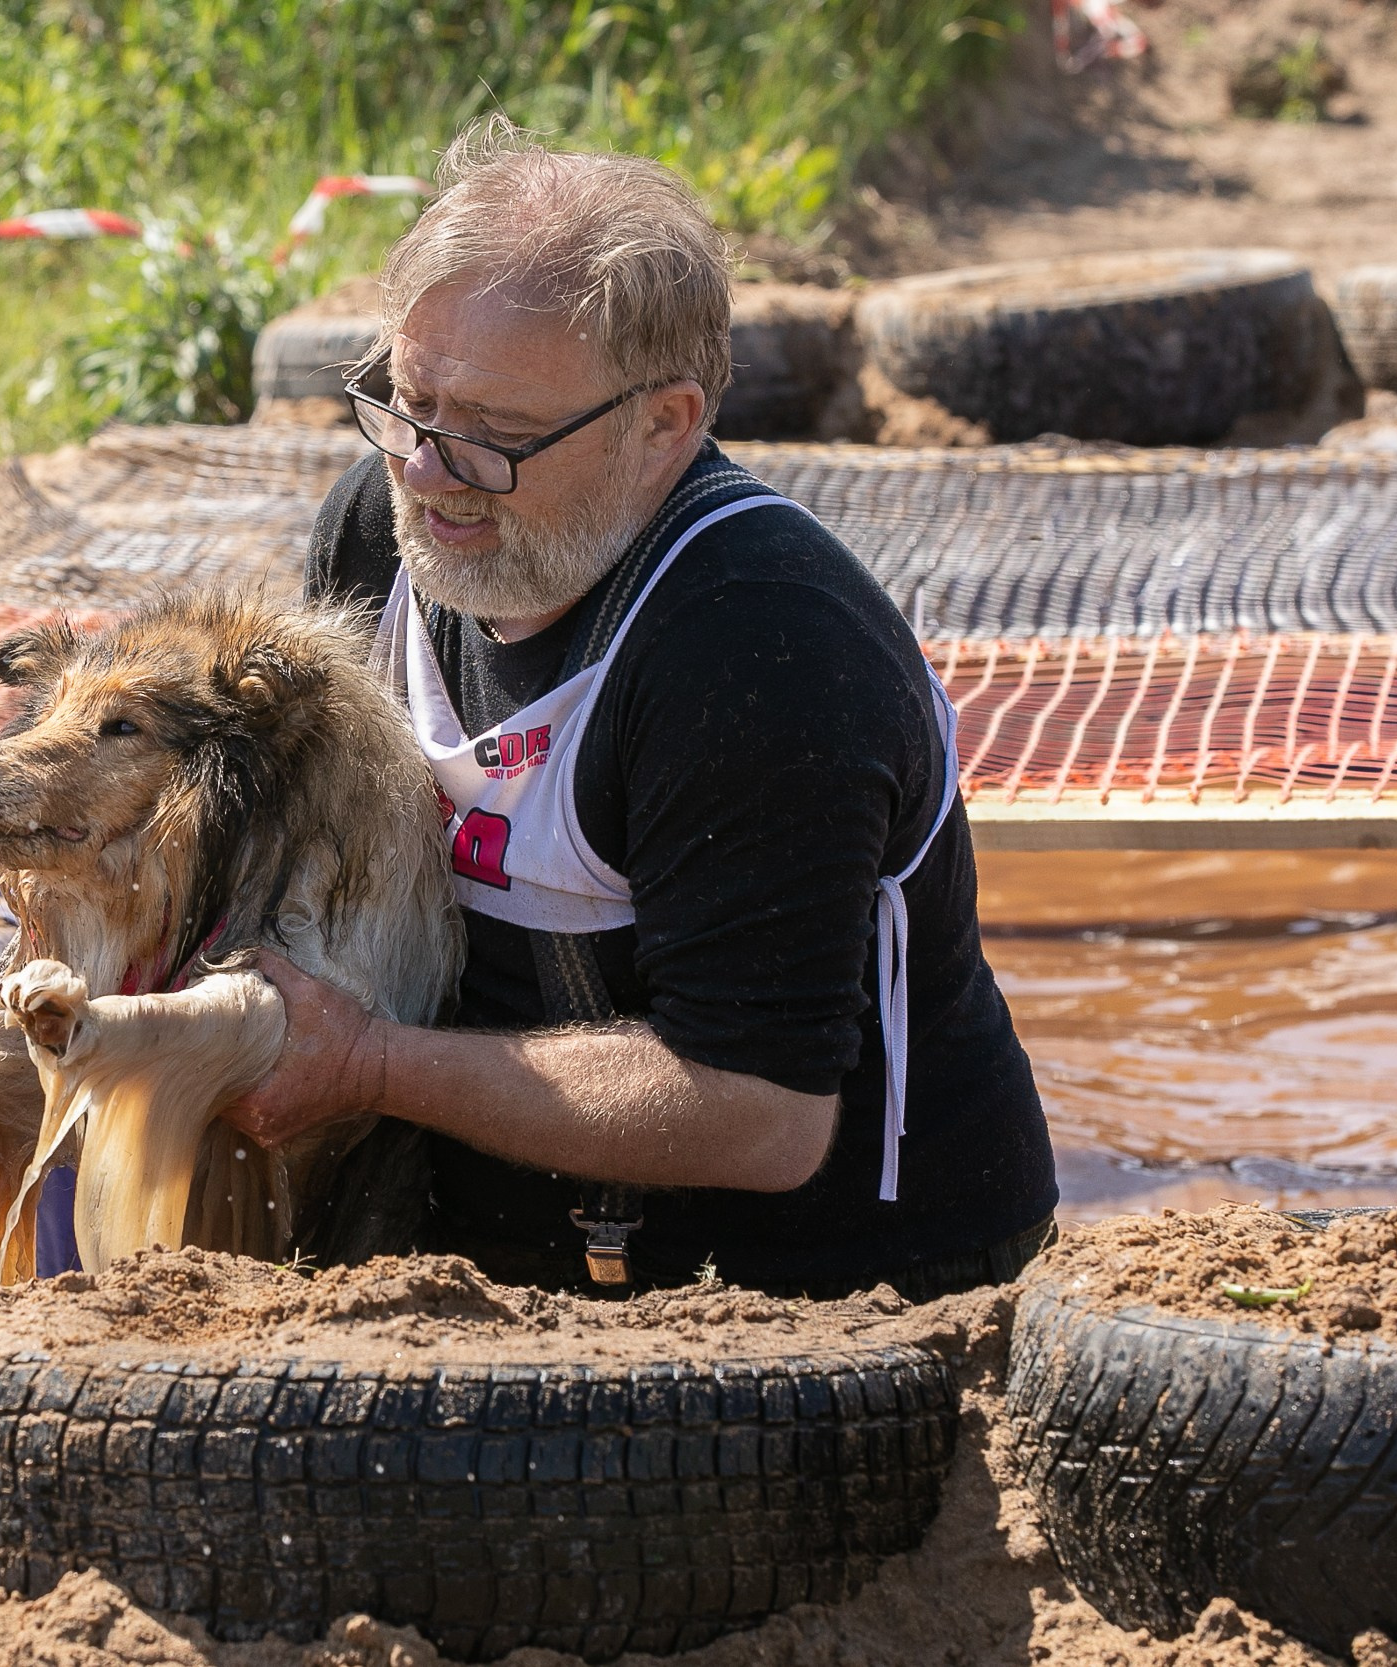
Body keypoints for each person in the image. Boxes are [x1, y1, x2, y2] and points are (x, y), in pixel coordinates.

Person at [226, 120, 1058, 1299]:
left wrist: (367, 1065)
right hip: (507, 1241)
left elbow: (758, 1115)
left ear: (663, 424)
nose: (422, 471)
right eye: (405, 401)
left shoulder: (760, 651)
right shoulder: (374, 527)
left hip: (841, 1280)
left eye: (495, 438)